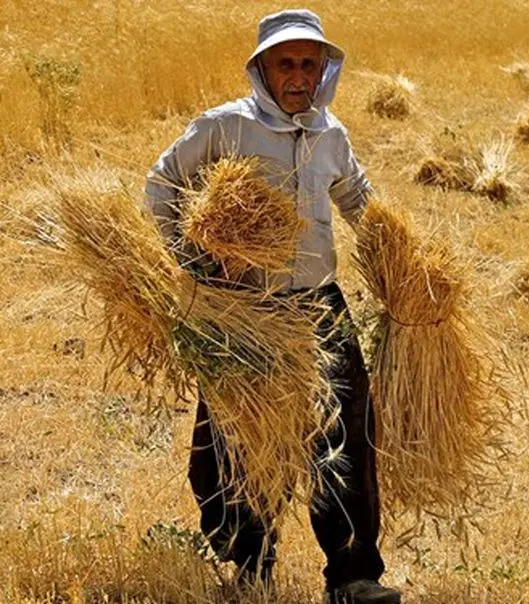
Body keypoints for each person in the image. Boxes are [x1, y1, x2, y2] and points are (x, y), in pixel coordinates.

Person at [143, 9, 402, 604]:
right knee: (235, 440)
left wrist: (399, 261)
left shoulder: (331, 134)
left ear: (323, 71)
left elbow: (360, 200)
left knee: (345, 434)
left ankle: (354, 576)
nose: (299, 76)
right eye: (286, 63)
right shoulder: (225, 128)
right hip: (245, 308)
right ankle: (247, 563)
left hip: (319, 307)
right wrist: (196, 263)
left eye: (309, 65)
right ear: (262, 68)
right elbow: (161, 185)